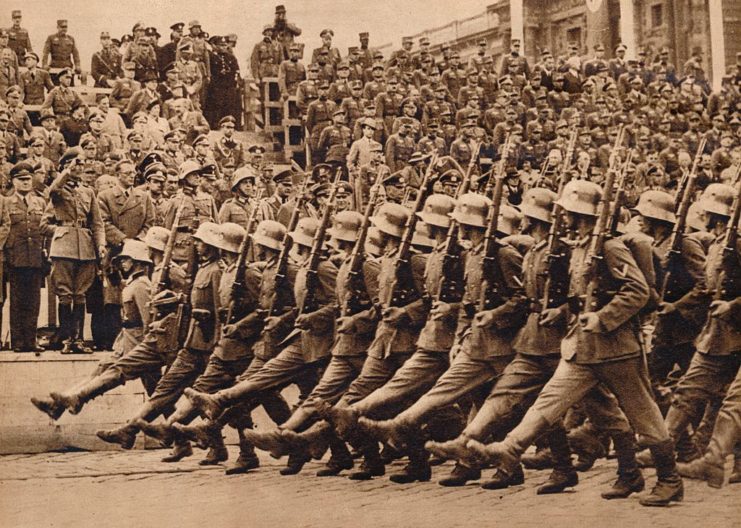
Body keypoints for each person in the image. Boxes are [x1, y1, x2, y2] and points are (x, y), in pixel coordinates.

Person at [41, 150, 106, 355]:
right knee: (65, 294)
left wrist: (101, 245)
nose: (80, 167)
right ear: (66, 166)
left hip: (85, 248)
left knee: (81, 295)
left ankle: (78, 339)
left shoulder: (88, 192)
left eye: (82, 164)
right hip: (64, 247)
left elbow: (97, 223)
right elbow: (52, 191)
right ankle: (67, 338)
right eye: (75, 164)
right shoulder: (59, 190)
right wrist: (66, 172)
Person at [3, 162, 47, 352]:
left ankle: (31, 340)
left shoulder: (40, 202)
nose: (25, 183)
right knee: (17, 301)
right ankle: (18, 341)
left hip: (35, 257)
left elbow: (44, 229)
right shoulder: (5, 202)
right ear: (13, 181)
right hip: (15, 257)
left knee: (34, 301)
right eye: (21, 180)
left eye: (28, 179)